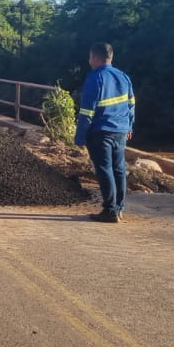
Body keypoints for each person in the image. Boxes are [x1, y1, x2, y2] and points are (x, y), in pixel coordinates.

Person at [74, 42, 135, 223]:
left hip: (101, 131)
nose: (89, 60)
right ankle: (119, 208)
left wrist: (80, 136)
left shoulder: (95, 78)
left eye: (90, 57)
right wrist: (130, 126)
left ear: (94, 57)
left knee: (105, 170)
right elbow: (131, 104)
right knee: (119, 169)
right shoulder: (123, 77)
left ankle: (110, 210)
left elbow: (87, 112)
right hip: (121, 130)